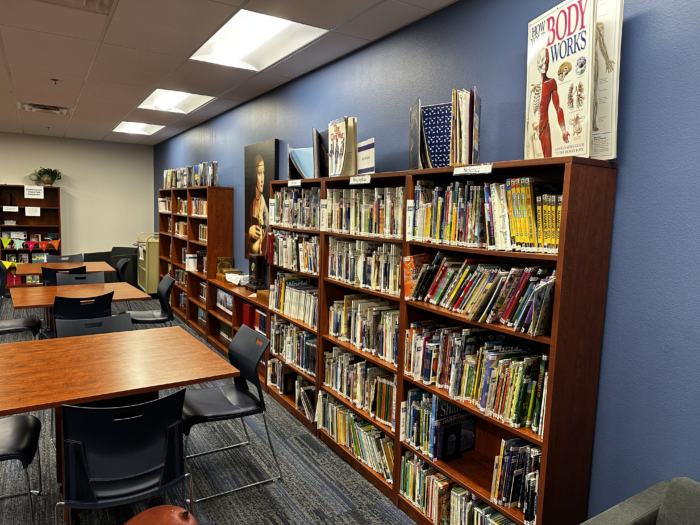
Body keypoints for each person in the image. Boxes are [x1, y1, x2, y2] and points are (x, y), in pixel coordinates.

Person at [536, 48, 569, 157]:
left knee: (548, 163)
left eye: (547, 61)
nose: (545, 65)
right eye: (543, 61)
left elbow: (557, 107)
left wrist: (563, 130)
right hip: (534, 130)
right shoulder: (532, 87)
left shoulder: (551, 82)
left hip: (545, 128)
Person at [247, 154, 268, 257]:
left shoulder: (263, 204)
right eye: (259, 173)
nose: (262, 179)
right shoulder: (249, 203)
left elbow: (267, 229)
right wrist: (249, 233)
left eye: (263, 173)